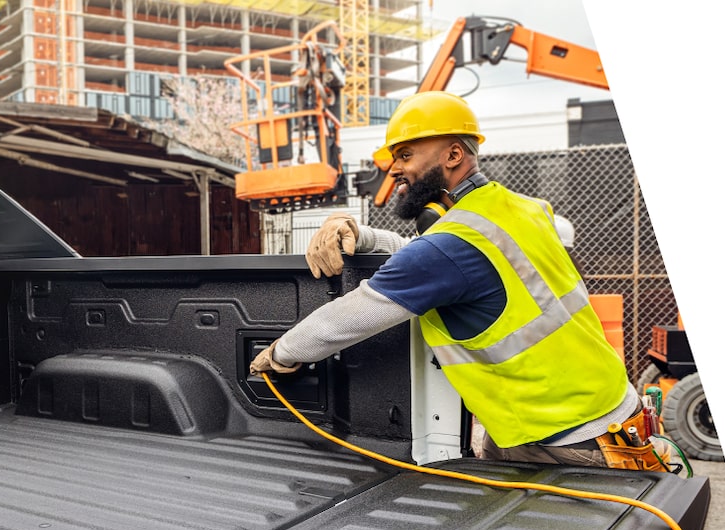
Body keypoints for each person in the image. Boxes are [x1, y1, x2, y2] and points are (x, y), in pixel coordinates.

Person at [248, 91, 645, 469]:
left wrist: (280, 353)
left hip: (569, 438)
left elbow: (344, 320)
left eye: (406, 154)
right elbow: (435, 254)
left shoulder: (450, 247)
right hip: (604, 409)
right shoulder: (523, 209)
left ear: (453, 154)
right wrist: (363, 235)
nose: (395, 168)